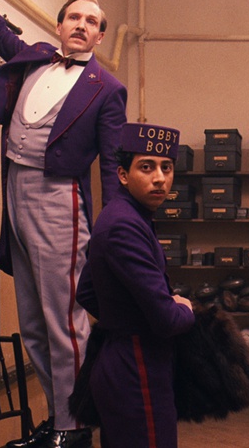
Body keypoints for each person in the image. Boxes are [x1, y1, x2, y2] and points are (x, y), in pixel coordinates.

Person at [0, 0, 127, 446]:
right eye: (73, 17)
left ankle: (74, 428)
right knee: (34, 323)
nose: (81, 25)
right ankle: (60, 417)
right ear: (59, 26)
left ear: (99, 35)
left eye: (91, 21)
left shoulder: (108, 88)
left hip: (60, 199)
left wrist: (115, 230)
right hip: (15, 191)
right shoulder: (34, 58)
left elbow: (112, 164)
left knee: (64, 322)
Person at [75, 123, 195, 448]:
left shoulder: (124, 215)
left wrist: (123, 318)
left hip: (123, 360)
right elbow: (167, 319)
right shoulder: (125, 226)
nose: (160, 178)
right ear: (123, 175)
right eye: (146, 167)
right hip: (137, 368)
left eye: (166, 168)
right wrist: (184, 309)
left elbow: (86, 291)